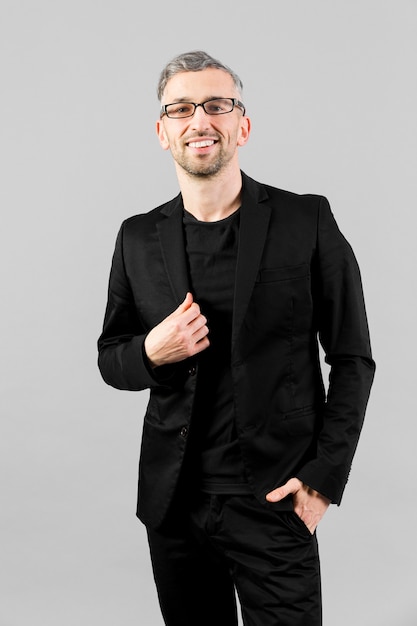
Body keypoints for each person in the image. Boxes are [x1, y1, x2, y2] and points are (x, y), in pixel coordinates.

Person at [97, 50, 375, 626]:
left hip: (276, 500)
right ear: (162, 131)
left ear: (241, 124)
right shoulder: (136, 237)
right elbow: (111, 358)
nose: (199, 120)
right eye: (180, 109)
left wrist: (324, 478)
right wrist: (152, 351)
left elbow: (352, 358)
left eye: (216, 105)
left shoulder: (307, 220)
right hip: (174, 507)